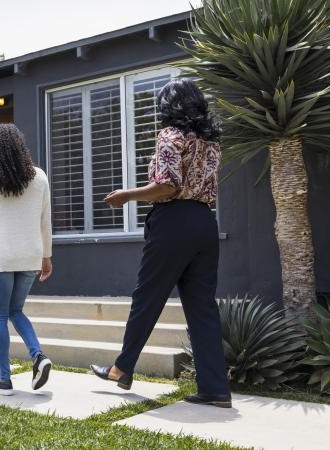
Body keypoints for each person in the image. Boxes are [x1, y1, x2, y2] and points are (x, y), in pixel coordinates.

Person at [89, 79, 232, 408]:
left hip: (174, 223)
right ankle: (215, 388)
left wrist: (126, 196)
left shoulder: (170, 135)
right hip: (204, 223)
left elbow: (167, 186)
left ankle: (121, 368)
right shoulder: (211, 142)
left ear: (170, 106)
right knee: (202, 307)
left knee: (147, 298)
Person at [0, 123, 53, 396]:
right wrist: (47, 256)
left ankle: (4, 379)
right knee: (15, 311)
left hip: (3, 257)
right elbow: (46, 222)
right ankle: (38, 355)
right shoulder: (40, 177)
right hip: (31, 255)